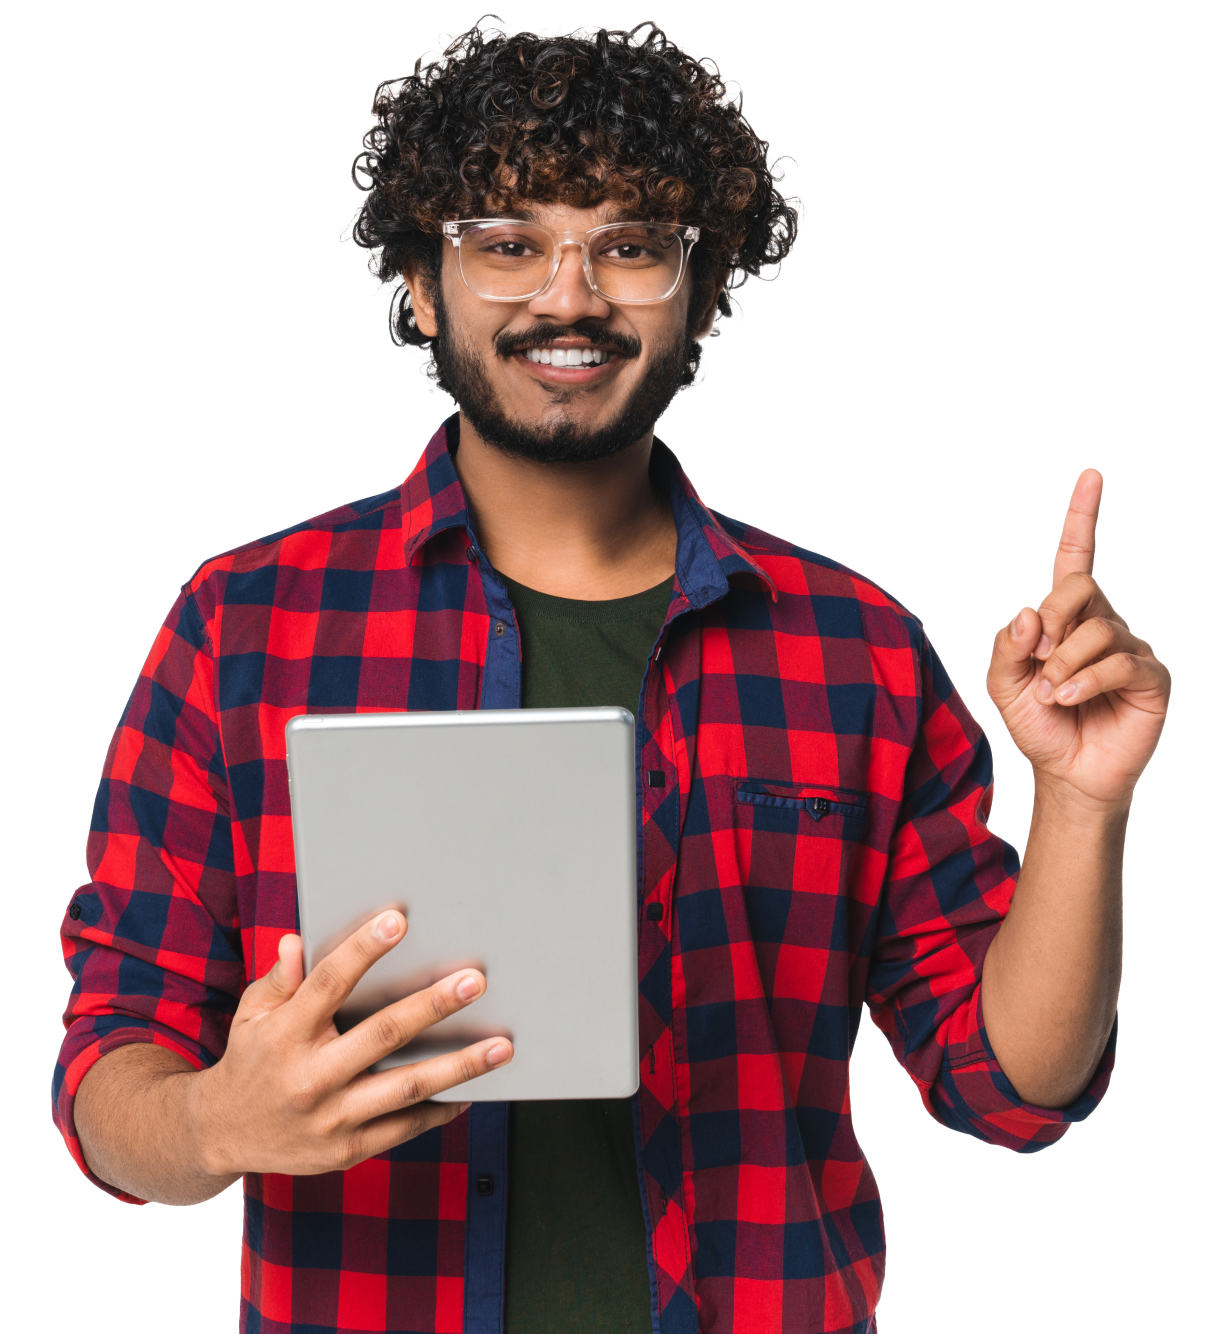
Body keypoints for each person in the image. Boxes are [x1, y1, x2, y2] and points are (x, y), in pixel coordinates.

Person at [54, 20, 1170, 1334]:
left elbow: (1011, 1088)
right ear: (421, 281)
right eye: (506, 241)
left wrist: (1084, 801)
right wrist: (212, 1116)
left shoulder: (851, 649)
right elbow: (108, 1080)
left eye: (631, 243)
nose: (569, 294)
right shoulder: (244, 625)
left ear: (705, 291)